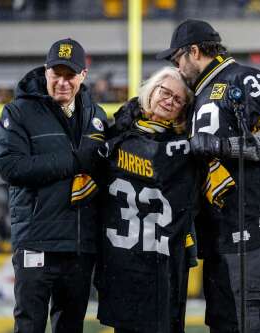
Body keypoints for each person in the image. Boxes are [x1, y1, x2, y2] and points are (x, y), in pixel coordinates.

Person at [157, 19, 260, 332]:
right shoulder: (199, 95)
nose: (177, 67)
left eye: (177, 58)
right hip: (219, 233)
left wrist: (222, 145)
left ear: (194, 51)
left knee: (258, 322)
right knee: (224, 323)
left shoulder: (244, 78)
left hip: (253, 226)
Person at [0, 38, 107, 333]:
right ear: (45, 72)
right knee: (29, 326)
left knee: (70, 327)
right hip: (37, 241)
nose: (62, 82)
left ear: (83, 75)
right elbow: (11, 167)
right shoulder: (18, 112)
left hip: (79, 245)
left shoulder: (96, 116)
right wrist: (74, 160)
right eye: (56, 74)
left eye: (69, 75)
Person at [96, 67, 203, 333]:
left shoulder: (189, 147)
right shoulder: (116, 133)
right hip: (122, 258)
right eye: (165, 92)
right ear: (151, 90)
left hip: (163, 260)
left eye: (178, 100)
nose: (169, 101)